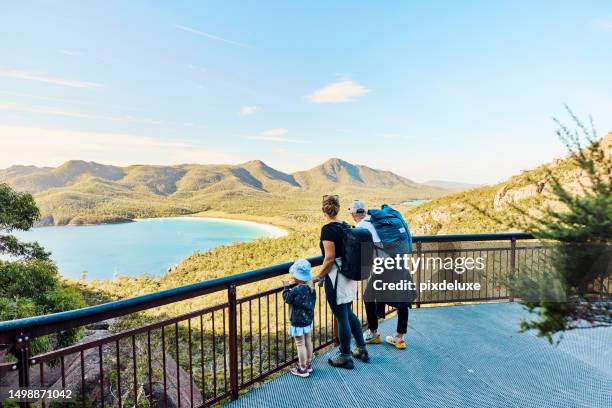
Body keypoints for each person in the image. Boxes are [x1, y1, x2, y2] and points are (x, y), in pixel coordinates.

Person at [312, 195, 368, 369]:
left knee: (341, 316)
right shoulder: (344, 225)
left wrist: (317, 277)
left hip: (336, 276)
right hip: (349, 273)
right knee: (349, 313)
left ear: (324, 211)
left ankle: (345, 356)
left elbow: (329, 258)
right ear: (338, 209)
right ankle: (361, 349)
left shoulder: (328, 229)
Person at [348, 199, 410, 350]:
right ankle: (399, 337)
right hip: (399, 262)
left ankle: (374, 333)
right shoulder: (374, 220)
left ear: (352, 214)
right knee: (402, 300)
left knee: (368, 296)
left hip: (385, 267)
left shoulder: (362, 226)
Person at [282, 258, 317, 377]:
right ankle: (308, 364)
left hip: (297, 321)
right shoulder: (311, 287)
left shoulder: (296, 290)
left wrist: (286, 287)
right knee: (308, 340)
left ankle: (302, 368)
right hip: (308, 319)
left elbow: (287, 298)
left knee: (300, 343)